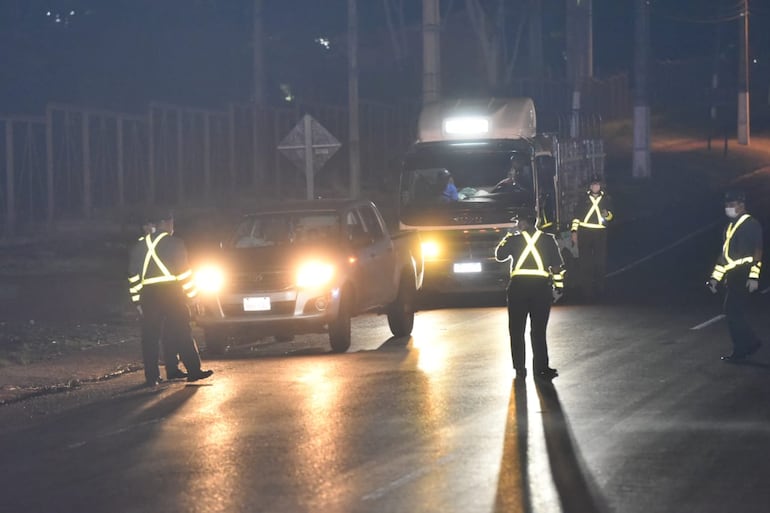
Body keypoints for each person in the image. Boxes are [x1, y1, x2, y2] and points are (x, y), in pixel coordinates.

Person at [128, 208, 213, 386]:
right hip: (171, 293)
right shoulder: (175, 243)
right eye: (172, 223)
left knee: (150, 337)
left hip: (148, 295)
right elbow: (183, 274)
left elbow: (133, 278)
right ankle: (193, 371)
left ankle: (152, 377)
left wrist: (137, 302)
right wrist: (193, 296)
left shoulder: (138, 247)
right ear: (167, 223)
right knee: (181, 331)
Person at [495, 210, 565, 380]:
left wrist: (506, 238)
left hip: (518, 288)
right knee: (538, 330)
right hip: (541, 289)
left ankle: (520, 369)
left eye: (519, 222)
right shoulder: (548, 239)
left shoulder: (513, 239)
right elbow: (556, 266)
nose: (517, 225)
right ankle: (541, 368)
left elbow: (499, 256)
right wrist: (559, 287)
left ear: (525, 223)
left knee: (516, 330)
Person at [707, 189, 763, 362]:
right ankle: (749, 343)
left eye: (731, 205)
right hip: (732, 275)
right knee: (733, 311)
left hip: (743, 273)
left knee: (732, 310)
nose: (728, 208)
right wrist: (715, 278)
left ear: (741, 205)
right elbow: (724, 257)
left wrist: (754, 276)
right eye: (727, 205)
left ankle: (743, 347)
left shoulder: (751, 224)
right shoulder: (729, 227)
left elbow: (758, 251)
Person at [571, 175, 613, 300]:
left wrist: (607, 214)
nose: (595, 187)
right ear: (590, 186)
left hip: (600, 233)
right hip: (585, 232)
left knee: (600, 261)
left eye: (597, 184)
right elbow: (576, 217)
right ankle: (586, 291)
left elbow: (611, 217)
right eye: (593, 184)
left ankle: (600, 289)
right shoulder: (583, 199)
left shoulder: (606, 199)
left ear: (600, 186)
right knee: (585, 261)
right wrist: (574, 232)